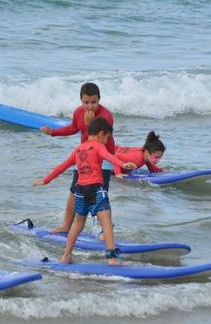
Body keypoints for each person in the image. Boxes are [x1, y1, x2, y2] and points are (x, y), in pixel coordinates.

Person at [33, 118, 136, 265]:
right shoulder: (99, 146)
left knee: (78, 223)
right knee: (106, 221)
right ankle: (112, 257)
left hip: (80, 190)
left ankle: (66, 255)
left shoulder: (78, 149)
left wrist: (46, 180)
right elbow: (110, 157)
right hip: (95, 188)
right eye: (107, 137)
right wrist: (123, 164)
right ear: (101, 134)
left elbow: (62, 166)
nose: (107, 141)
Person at [40, 83, 115, 233]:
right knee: (74, 191)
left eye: (94, 102)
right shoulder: (78, 112)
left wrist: (89, 125)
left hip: (103, 160)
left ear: (99, 100)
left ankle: (105, 230)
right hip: (84, 159)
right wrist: (53, 132)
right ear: (81, 100)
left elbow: (96, 142)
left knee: (100, 196)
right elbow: (73, 128)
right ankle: (66, 226)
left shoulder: (106, 117)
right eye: (86, 102)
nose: (90, 106)